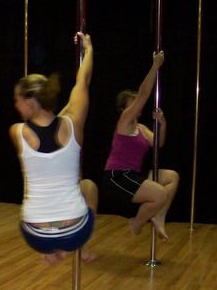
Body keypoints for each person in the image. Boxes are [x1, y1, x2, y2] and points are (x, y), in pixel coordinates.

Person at [10, 32, 97, 265]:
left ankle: (49, 251)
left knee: (37, 211)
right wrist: (89, 50)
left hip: (34, 235)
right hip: (75, 232)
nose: (16, 105)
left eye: (18, 100)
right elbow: (83, 81)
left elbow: (46, 127)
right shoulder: (73, 124)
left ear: (29, 102)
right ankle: (80, 247)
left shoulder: (18, 132)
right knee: (89, 187)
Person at [101, 51, 179, 241]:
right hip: (116, 177)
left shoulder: (141, 128)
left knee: (171, 177)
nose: (137, 105)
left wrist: (162, 124)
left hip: (134, 174)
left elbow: (159, 143)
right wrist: (155, 66)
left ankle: (158, 216)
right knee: (160, 195)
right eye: (132, 103)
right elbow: (144, 94)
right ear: (123, 109)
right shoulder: (124, 121)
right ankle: (137, 221)